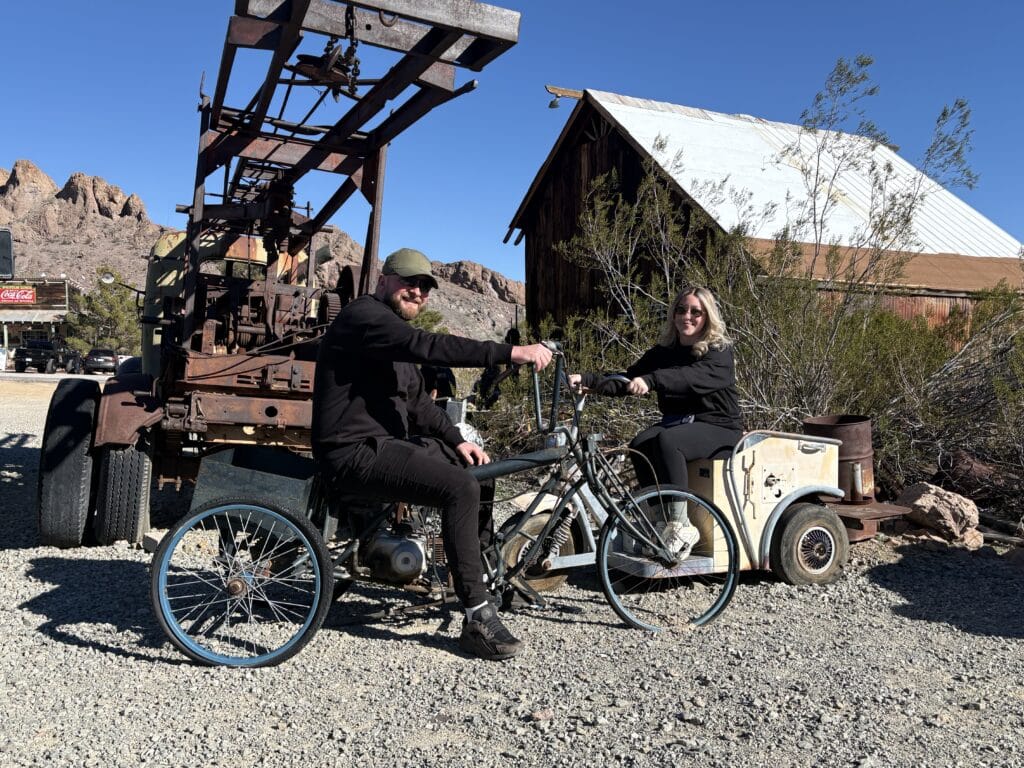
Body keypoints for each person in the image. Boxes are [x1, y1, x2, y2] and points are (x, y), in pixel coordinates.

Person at [312, 247, 553, 661]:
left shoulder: (392, 337)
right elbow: (428, 345)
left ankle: (477, 574)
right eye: (409, 282)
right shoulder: (364, 317)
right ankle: (477, 616)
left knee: (478, 469)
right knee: (458, 488)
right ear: (384, 280)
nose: (417, 291)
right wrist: (511, 352)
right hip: (353, 451)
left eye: (424, 286)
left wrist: (458, 441)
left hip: (386, 445)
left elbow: (420, 405)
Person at [569, 285, 742, 555]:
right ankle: (659, 522)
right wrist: (589, 381)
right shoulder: (664, 353)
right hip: (681, 423)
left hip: (719, 426)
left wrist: (652, 380)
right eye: (681, 310)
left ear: (707, 316)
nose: (687, 316)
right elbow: (627, 379)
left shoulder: (719, 353)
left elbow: (690, 378)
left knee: (667, 440)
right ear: (673, 315)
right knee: (640, 443)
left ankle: (679, 526)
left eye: (696, 312)